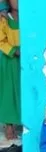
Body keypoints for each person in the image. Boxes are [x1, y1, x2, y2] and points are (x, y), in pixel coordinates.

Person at [0, 0, 20, 140]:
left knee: (22, 92)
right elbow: (1, 41)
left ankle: (23, 124)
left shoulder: (29, 18)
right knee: (8, 93)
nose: (17, 2)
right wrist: (14, 51)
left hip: (27, 61)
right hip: (9, 61)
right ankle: (9, 126)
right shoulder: (4, 19)